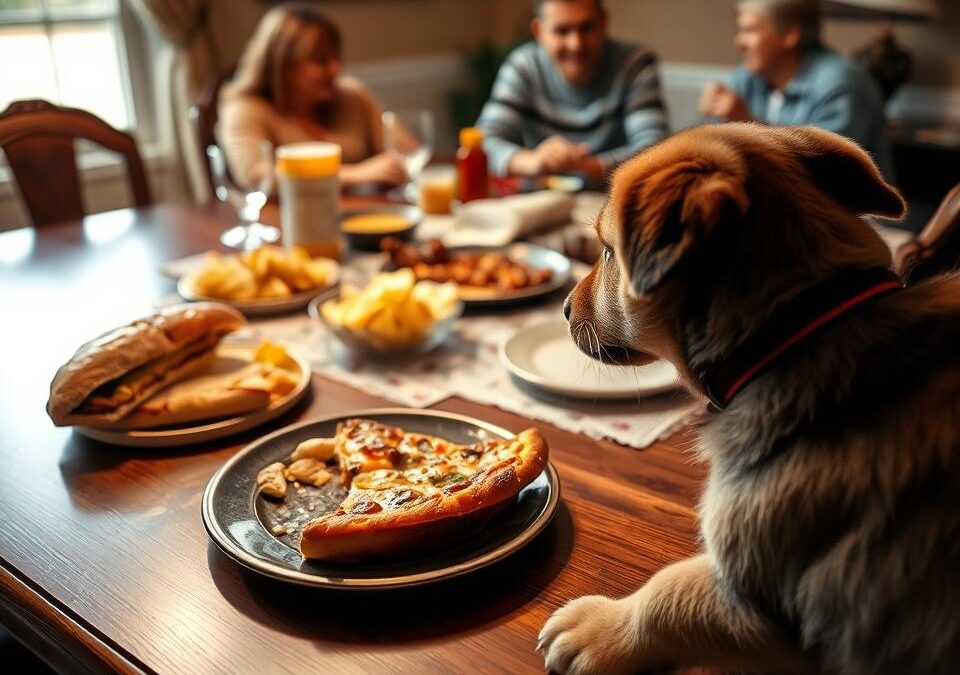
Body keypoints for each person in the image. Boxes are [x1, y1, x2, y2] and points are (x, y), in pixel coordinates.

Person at [218, 3, 412, 191]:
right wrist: (354, 174)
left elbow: (408, 153)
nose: (335, 69)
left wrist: (395, 155)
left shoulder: (351, 95)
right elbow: (254, 176)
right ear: (283, 65)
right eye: (321, 61)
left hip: (367, 216)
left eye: (336, 57)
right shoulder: (245, 108)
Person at [476, 0, 668, 185]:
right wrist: (535, 161)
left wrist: (592, 167)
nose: (576, 44)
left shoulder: (635, 65)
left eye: (586, 28)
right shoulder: (523, 67)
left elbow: (656, 150)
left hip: (614, 201)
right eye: (561, 31)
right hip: (542, 200)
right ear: (539, 31)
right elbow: (480, 144)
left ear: (604, 22)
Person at [699, 0, 894, 181]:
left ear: (790, 34)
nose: (739, 42)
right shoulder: (748, 76)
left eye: (750, 30)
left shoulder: (842, 86)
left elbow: (822, 174)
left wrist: (748, 124)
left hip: (847, 213)